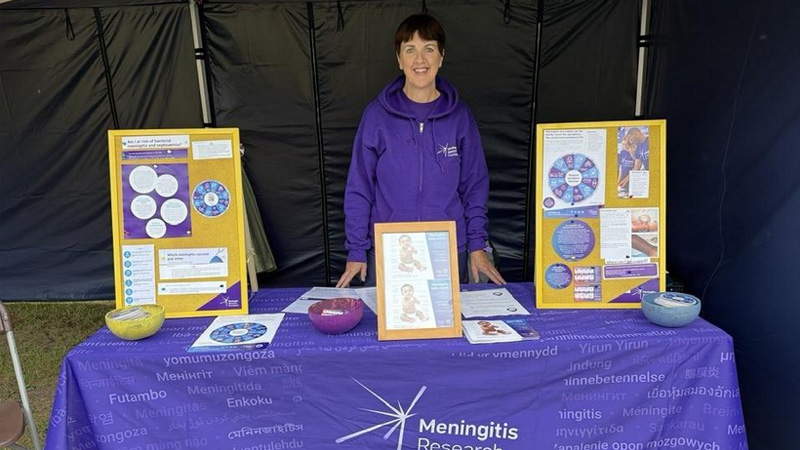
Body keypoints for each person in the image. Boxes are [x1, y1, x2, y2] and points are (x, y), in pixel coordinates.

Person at [336, 14, 506, 288]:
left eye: (429, 49)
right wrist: (357, 249)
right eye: (410, 50)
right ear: (399, 59)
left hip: (448, 249)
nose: (420, 60)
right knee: (389, 330)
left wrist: (477, 246)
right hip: (389, 249)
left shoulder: (460, 117)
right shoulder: (377, 116)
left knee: (447, 331)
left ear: (441, 56)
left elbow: (475, 187)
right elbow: (360, 187)